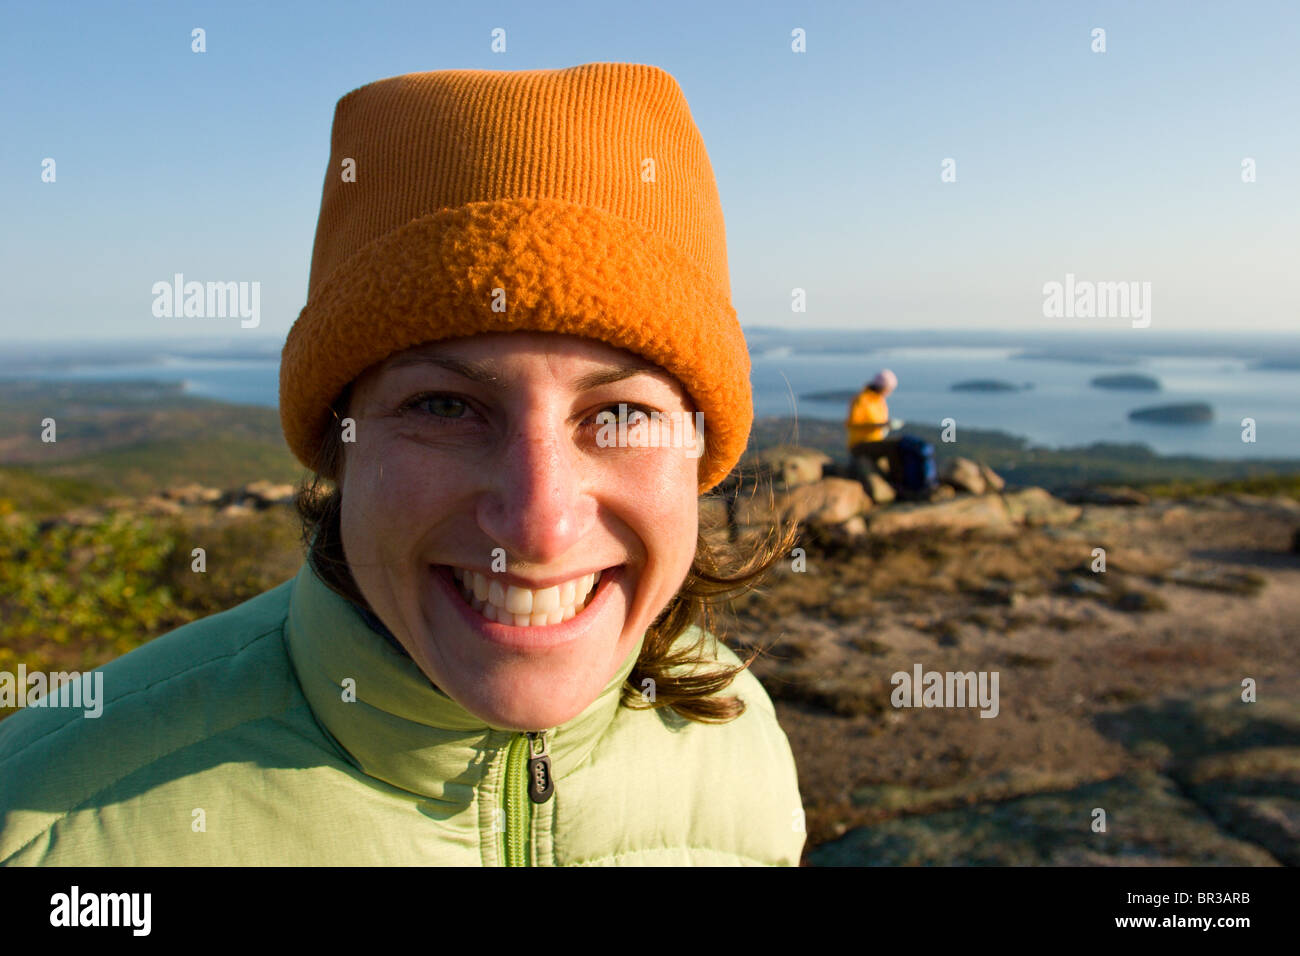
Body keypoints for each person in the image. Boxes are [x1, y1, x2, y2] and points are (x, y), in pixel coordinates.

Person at [0, 63, 805, 866]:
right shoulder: (50, 829)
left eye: (622, 415)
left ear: (701, 448)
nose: (537, 523)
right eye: (443, 407)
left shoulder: (736, 739)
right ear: (337, 442)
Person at [846, 369, 902, 485]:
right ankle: (896, 483)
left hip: (876, 441)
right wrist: (877, 425)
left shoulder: (879, 401)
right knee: (894, 447)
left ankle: (897, 481)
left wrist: (886, 425)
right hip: (859, 444)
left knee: (901, 444)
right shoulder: (861, 399)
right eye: (890, 389)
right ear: (883, 387)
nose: (890, 392)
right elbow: (852, 424)